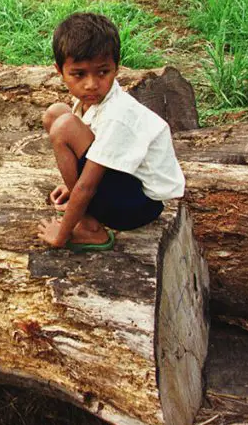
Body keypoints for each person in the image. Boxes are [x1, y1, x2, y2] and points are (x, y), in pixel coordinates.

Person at [36, 13, 185, 252]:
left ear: (116, 67)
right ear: (59, 71)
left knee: (64, 126)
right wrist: (71, 185)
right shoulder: (92, 102)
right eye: (79, 74)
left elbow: (86, 187)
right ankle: (86, 210)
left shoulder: (118, 114)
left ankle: (90, 228)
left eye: (102, 72)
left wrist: (61, 234)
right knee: (55, 113)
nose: (91, 84)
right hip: (124, 187)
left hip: (137, 207)